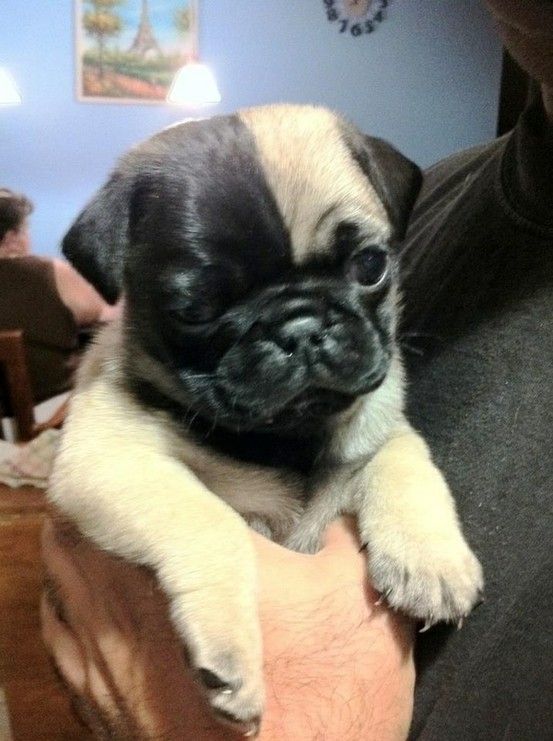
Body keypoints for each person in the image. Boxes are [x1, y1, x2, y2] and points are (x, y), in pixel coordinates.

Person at [40, 0, 553, 738]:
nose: (304, 337)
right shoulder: (448, 193)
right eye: (201, 305)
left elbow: (384, 442)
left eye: (364, 269)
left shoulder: (406, 192)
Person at [0, 189, 119, 403]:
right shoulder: (49, 272)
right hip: (51, 415)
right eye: (25, 230)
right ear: (11, 240)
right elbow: (105, 313)